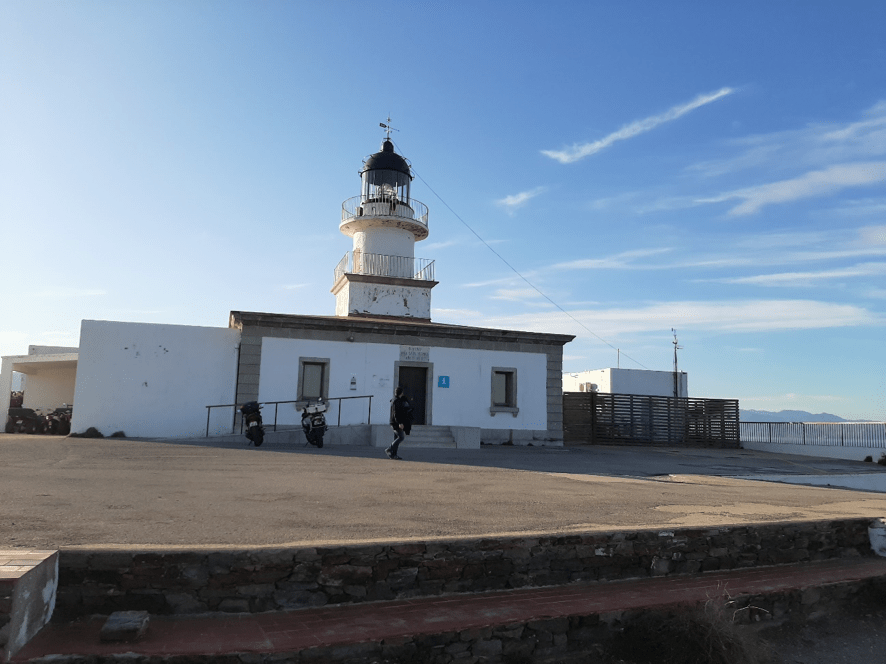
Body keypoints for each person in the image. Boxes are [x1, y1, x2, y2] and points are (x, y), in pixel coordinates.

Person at [386, 386, 412, 460]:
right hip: (396, 423)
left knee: (397, 438)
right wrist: (400, 423)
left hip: (394, 422)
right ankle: (389, 449)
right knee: (401, 437)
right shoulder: (397, 401)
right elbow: (396, 413)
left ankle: (394, 455)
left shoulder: (394, 400)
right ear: (401, 393)